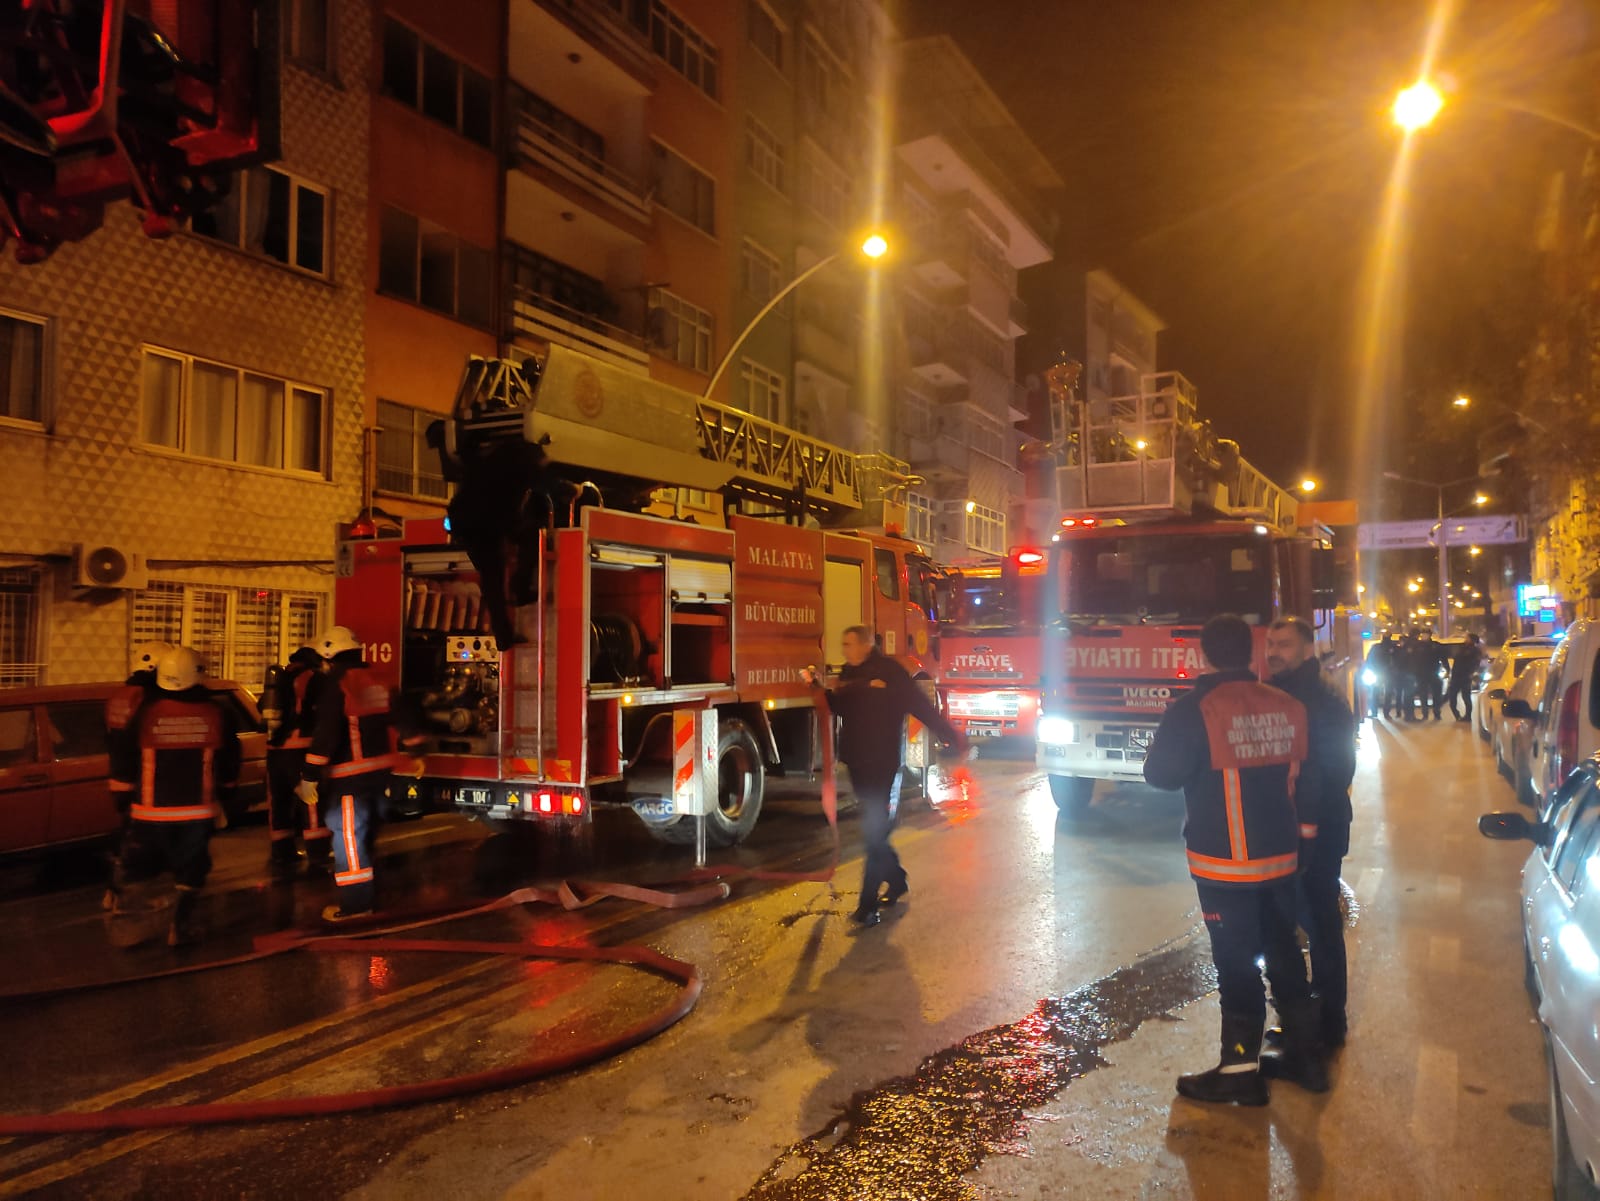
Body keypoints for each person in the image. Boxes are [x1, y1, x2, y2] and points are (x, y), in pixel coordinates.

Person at [1143, 614, 1321, 1105]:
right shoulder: (1287, 704)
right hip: (1282, 857)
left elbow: (1160, 774)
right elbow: (1307, 781)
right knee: (1284, 952)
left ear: (1203, 655)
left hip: (1224, 864)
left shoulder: (1192, 709)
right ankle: (1308, 1059)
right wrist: (1304, 846)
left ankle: (1240, 1070)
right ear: (1253, 652)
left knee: (1236, 964)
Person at [802, 625, 966, 929]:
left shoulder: (890, 671)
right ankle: (897, 879)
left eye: (849, 644)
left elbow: (920, 706)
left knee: (873, 832)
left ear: (866, 645)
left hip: (884, 764)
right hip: (857, 763)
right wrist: (818, 689)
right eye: (843, 644)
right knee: (875, 832)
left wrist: (950, 735)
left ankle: (868, 905)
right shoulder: (850, 673)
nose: (845, 649)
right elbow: (840, 708)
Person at [1264, 617, 1358, 1057]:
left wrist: (1306, 835)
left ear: (1306, 648)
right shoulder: (1297, 689)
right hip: (1308, 828)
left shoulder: (1314, 697)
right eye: (1269, 642)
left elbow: (1331, 771)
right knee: (1314, 924)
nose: (1273, 650)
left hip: (1315, 831)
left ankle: (1324, 1023)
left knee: (1317, 924)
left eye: (1283, 644)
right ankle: (1319, 1021)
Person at [109, 646, 240, 947]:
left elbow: (124, 757)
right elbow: (229, 758)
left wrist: (121, 795)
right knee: (192, 867)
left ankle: (131, 927)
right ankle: (179, 926)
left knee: (142, 865)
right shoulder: (217, 713)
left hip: (149, 811)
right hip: (197, 810)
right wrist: (228, 792)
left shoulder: (146, 713)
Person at [300, 625, 413, 922]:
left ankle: (356, 905)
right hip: (381, 775)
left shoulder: (336, 684)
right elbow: (402, 718)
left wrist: (310, 773)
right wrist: (417, 749)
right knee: (366, 837)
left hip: (350, 779)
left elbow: (327, 732)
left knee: (348, 841)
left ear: (328, 657)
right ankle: (368, 895)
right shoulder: (380, 680)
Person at [102, 640, 172, 909]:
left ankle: (113, 892)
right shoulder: (150, 699)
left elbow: (109, 737)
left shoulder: (119, 696)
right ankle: (134, 897)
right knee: (146, 841)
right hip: (144, 780)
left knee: (127, 835)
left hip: (118, 778)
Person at [264, 645, 333, 878]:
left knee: (278, 802)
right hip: (301, 747)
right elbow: (326, 710)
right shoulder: (313, 678)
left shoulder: (279, 678)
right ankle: (318, 854)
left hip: (275, 749)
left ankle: (281, 851)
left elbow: (261, 707)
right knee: (311, 800)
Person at [1445, 633, 1485, 723]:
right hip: (1456, 676)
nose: (1466, 639)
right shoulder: (1461, 648)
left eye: (1468, 638)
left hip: (1465, 677)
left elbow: (1476, 663)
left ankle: (1468, 716)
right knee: (1452, 698)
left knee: (1466, 697)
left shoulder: (1475, 651)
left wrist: (1470, 673)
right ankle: (1457, 715)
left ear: (1472, 640)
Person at [1417, 628, 1448, 721]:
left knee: (1436, 694)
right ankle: (1425, 714)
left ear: (1429, 635)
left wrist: (1447, 670)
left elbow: (1444, 659)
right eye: (1423, 634)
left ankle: (1437, 713)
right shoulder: (1418, 646)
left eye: (1425, 634)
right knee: (1423, 695)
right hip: (1422, 674)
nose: (1424, 636)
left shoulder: (1436, 646)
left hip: (1434, 673)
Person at [1365, 632, 1397, 720]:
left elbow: (1369, 659)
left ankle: (1374, 712)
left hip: (1378, 672)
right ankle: (1386, 713)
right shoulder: (1393, 648)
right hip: (1388, 673)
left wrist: (1370, 669)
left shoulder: (1376, 647)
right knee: (1388, 693)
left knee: (1376, 692)